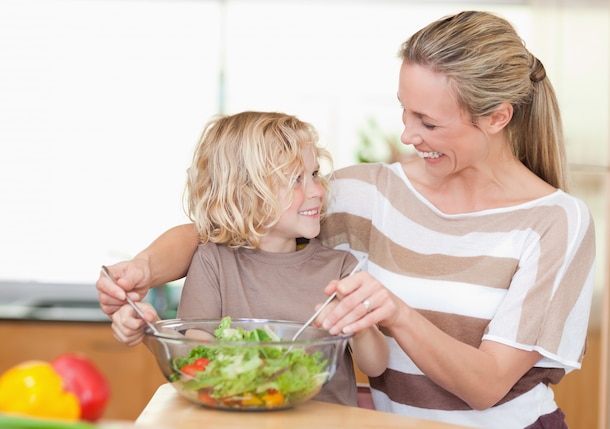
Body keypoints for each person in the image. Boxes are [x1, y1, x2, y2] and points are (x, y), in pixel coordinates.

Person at [97, 11, 596, 429]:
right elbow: (223, 228)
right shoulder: (366, 193)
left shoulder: (555, 223)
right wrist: (141, 270)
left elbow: (487, 386)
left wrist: (395, 314)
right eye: (405, 112)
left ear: (497, 118)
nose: (407, 135)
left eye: (428, 122)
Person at [105, 111, 388, 407]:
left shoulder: (340, 268)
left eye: (314, 174)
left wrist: (360, 326)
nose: (317, 190)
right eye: (296, 179)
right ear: (245, 193)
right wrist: (154, 331)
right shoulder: (213, 261)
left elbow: (376, 365)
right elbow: (198, 360)